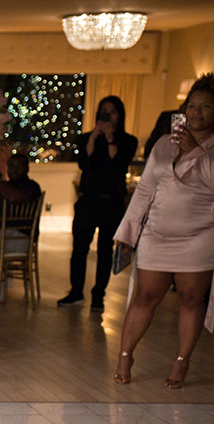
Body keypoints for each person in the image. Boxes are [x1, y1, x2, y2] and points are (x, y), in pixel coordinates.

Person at [112, 74, 214, 389]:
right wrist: (127, 234)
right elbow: (144, 192)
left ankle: (181, 361)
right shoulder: (163, 143)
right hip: (157, 235)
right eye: (192, 105)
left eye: (206, 107)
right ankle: (125, 354)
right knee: (145, 296)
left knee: (191, 299)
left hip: (199, 236)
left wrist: (196, 151)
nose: (196, 112)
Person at [58, 95, 138, 311]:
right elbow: (84, 163)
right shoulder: (86, 138)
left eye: (112, 112)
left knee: (105, 251)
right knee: (79, 249)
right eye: (104, 111)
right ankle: (76, 292)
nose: (108, 116)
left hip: (111, 203)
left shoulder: (128, 141)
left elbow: (119, 165)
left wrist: (111, 138)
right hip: (88, 201)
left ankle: (98, 295)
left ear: (119, 115)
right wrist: (94, 137)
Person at [0, 153, 42, 253]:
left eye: (19, 165)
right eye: (11, 166)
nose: (14, 169)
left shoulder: (32, 186)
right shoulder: (3, 186)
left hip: (21, 236)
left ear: (27, 168)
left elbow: (15, 197)